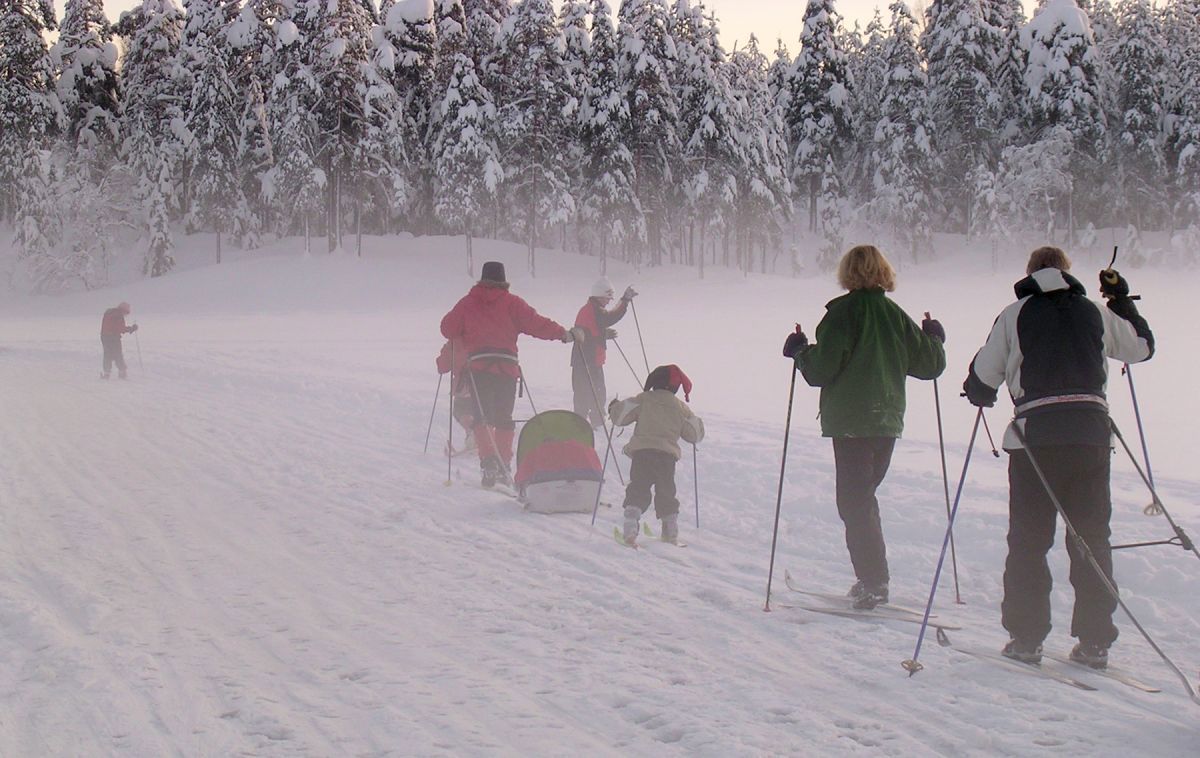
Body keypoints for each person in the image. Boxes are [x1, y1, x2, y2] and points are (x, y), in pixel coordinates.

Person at [963, 246, 1154, 669]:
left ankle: (1027, 639)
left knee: (1029, 542)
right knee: (1090, 540)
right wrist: (1121, 301)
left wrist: (978, 392)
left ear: (1030, 273)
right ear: (1066, 273)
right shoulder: (1094, 311)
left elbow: (983, 377)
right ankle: (1095, 643)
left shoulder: (1015, 313)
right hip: (1090, 437)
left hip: (1035, 442)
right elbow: (1141, 347)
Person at [782, 244, 946, 609]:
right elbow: (930, 365)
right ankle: (873, 578)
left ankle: (873, 581)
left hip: (852, 421)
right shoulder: (895, 315)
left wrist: (799, 352)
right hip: (887, 419)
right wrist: (934, 337)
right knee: (863, 497)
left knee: (855, 501)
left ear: (847, 274)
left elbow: (821, 369)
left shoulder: (842, 315)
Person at [440, 261, 585, 488]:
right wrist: (565, 335)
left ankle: (489, 463)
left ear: (481, 279)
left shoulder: (467, 303)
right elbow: (537, 324)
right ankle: (504, 465)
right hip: (507, 368)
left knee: (483, 417)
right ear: (503, 280)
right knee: (503, 418)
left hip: (478, 368)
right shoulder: (512, 303)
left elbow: (447, 328)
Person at [609, 364, 704, 545]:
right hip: (667, 458)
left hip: (642, 455)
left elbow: (620, 417)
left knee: (638, 488)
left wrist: (614, 407)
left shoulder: (643, 399)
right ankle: (670, 531)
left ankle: (630, 529)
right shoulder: (680, 407)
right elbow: (694, 434)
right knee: (666, 492)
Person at [572, 277, 636, 428]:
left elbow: (593, 329)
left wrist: (601, 333)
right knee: (591, 396)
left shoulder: (592, 309)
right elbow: (610, 317)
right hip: (587, 361)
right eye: (608, 298)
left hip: (588, 361)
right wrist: (625, 301)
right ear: (599, 295)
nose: (609, 301)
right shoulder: (592, 310)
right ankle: (591, 425)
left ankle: (586, 424)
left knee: (591, 395)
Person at [435, 337, 476, 456]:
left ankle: (473, 438)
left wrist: (446, 350)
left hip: (463, 387)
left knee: (461, 411)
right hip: (486, 383)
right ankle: (478, 438)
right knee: (479, 412)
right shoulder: (481, 336)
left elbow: (442, 367)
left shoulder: (455, 343)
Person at [100, 302, 138, 379]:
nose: (125, 315)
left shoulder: (109, 313)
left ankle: (107, 372)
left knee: (107, 354)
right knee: (118, 354)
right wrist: (131, 329)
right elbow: (120, 328)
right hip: (113, 337)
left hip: (104, 336)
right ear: (123, 310)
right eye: (126, 312)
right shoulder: (118, 315)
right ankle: (122, 371)